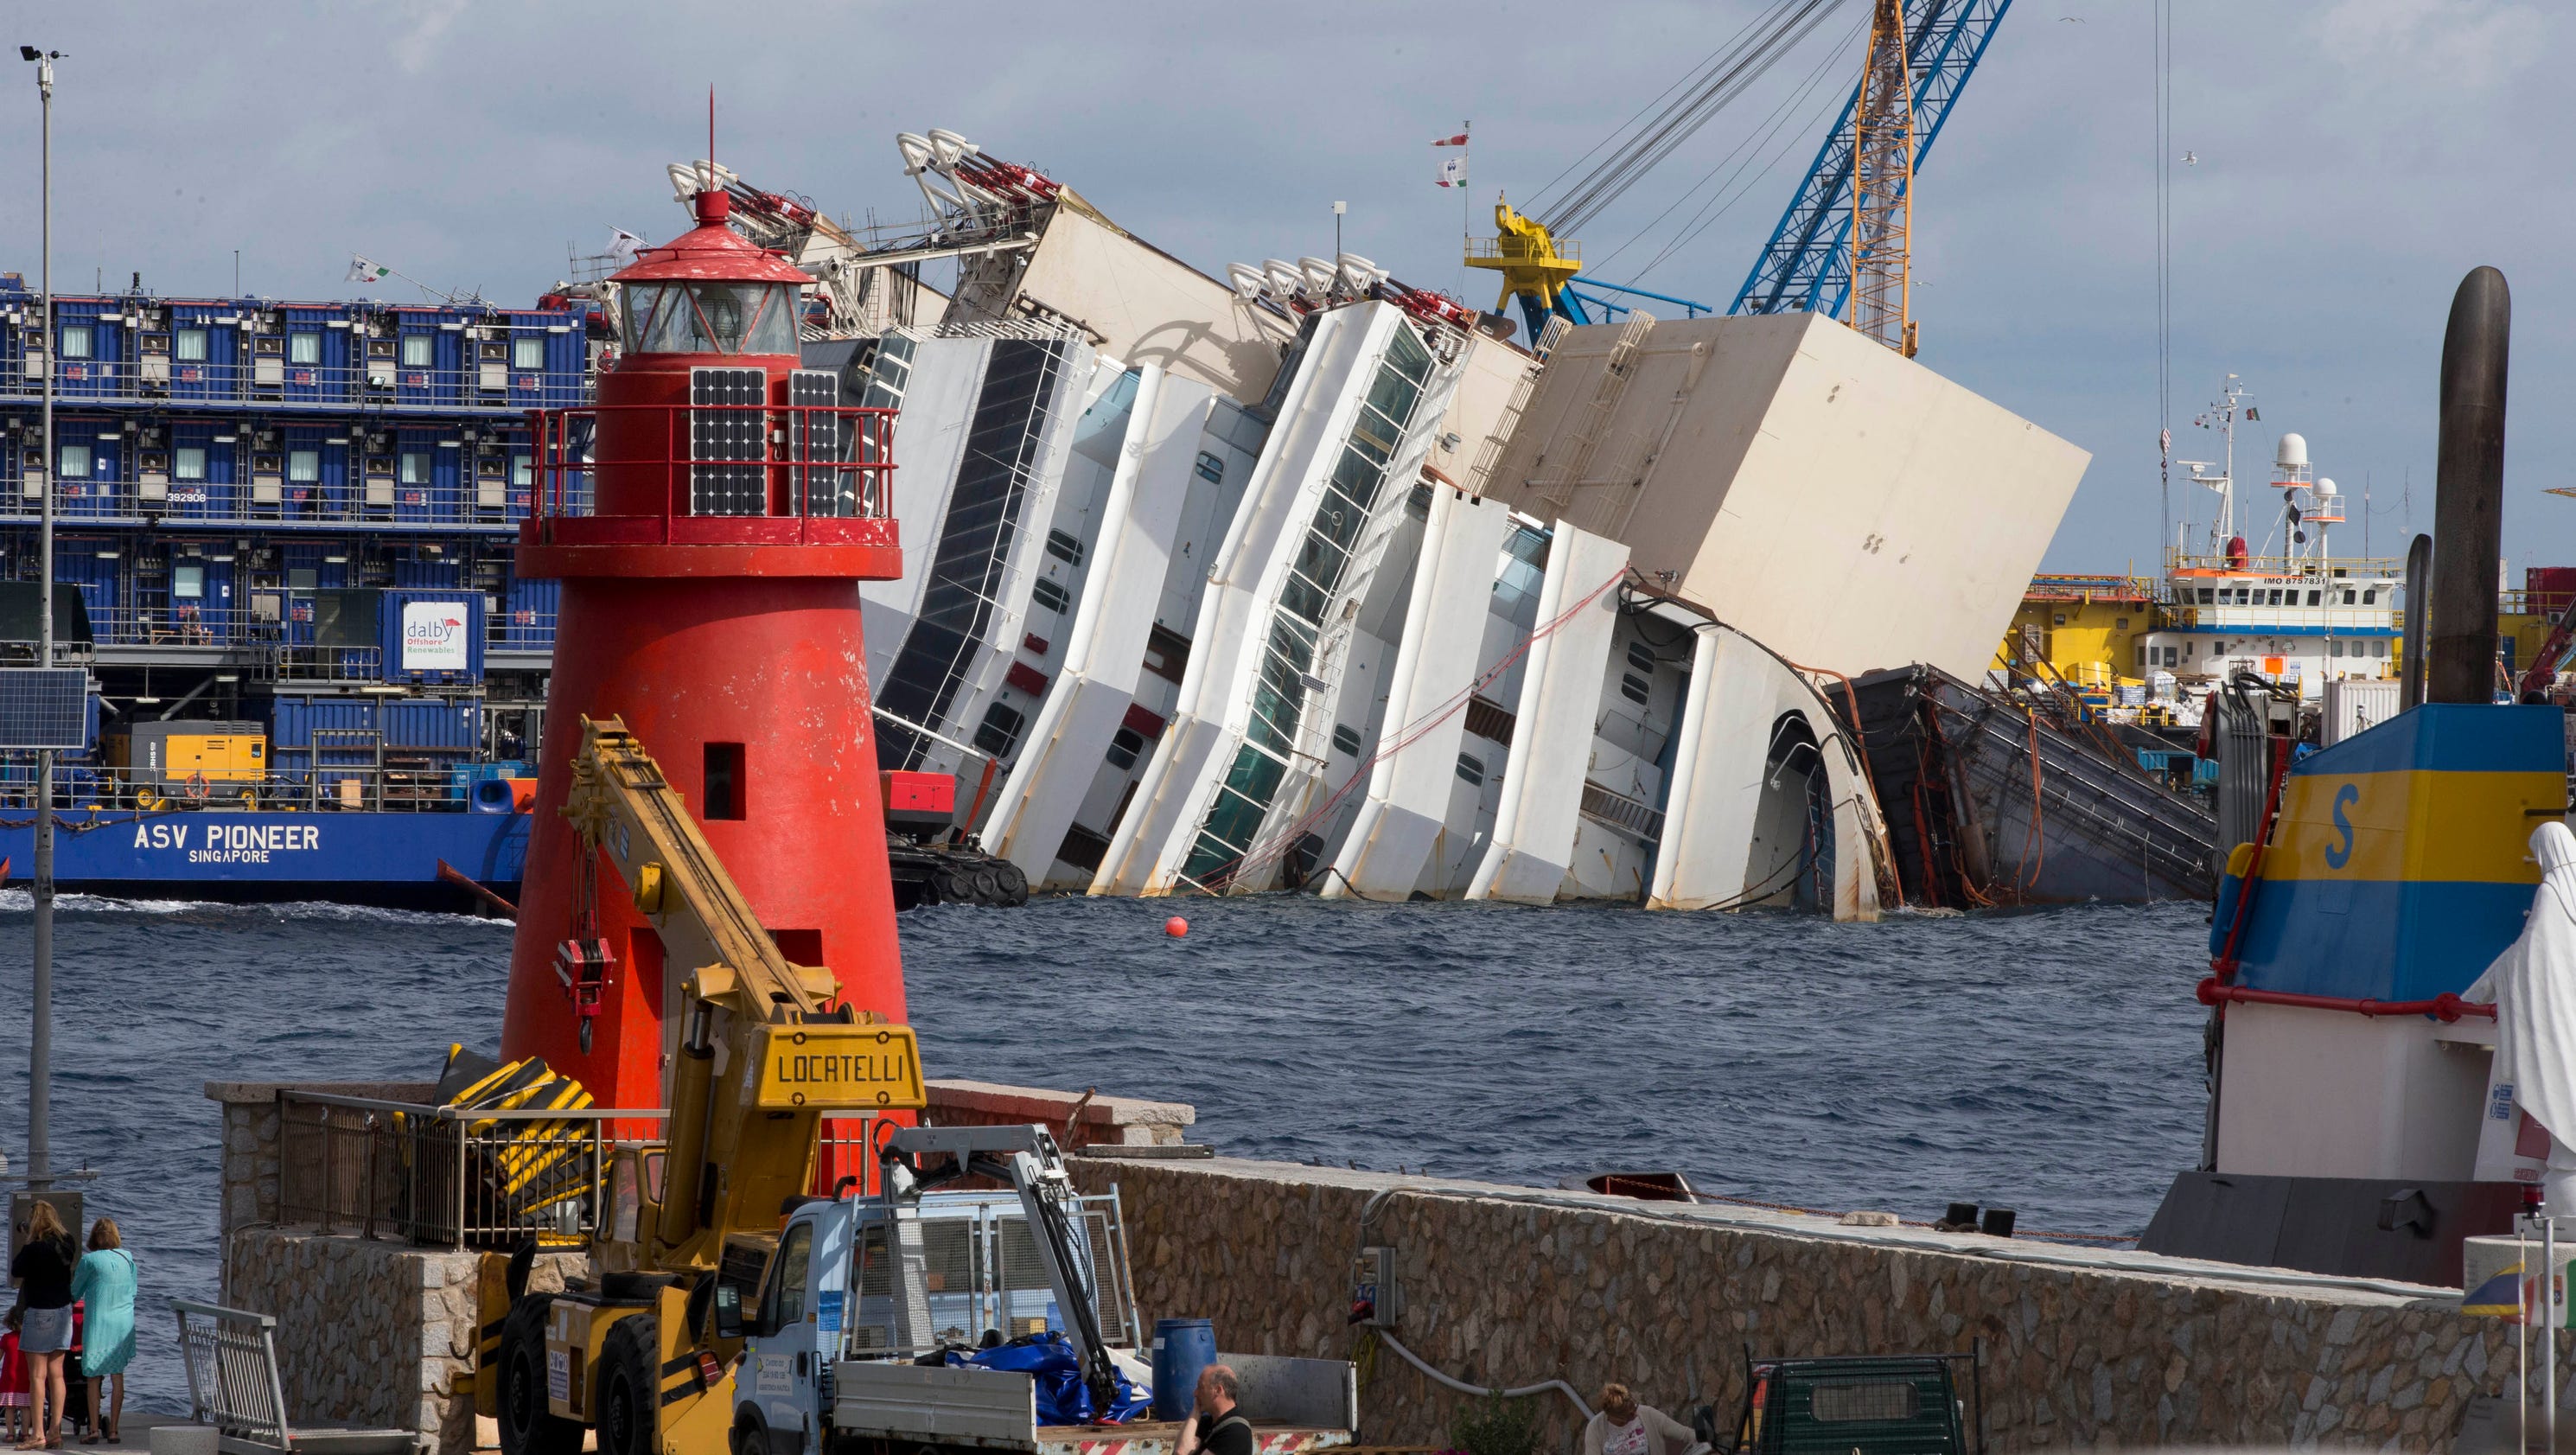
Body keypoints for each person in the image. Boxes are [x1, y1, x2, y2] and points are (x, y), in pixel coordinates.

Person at [11, 1203, 78, 1452]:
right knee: (57, 1374)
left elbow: (16, 1269)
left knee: (37, 1376)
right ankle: (55, 1432)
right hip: (64, 1312)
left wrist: (27, 1241)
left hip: (40, 1312)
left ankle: (37, 1434)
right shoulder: (68, 1243)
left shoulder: (34, 1248)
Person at [68, 1222, 131, 1446]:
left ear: (94, 1237)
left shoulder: (90, 1260)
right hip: (123, 1322)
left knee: (93, 1376)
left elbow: (74, 1293)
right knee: (117, 1375)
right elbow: (133, 1290)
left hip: (98, 1323)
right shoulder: (127, 1258)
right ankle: (113, 1431)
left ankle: (94, 1430)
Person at [1581, 1384, 1704, 1455]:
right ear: (1613, 1416)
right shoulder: (1595, 1428)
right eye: (1629, 1416)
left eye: (1634, 1407)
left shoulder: (1647, 1414)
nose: (1635, 1414)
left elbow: (1685, 1433)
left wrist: (1706, 1444)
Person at [1172, 1365, 1252, 1455]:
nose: (1195, 1393)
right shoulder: (1205, 1423)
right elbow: (1180, 1451)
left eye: (1201, 1387)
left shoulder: (1236, 1432)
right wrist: (1196, 1411)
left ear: (1218, 1390)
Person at [0, 1308, 26, 1446]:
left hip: (9, 1379)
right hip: (26, 1378)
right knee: (26, 1407)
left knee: (9, 1408)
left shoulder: (6, 1338)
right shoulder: (30, 1339)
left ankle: (10, 1434)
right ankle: (25, 1433)